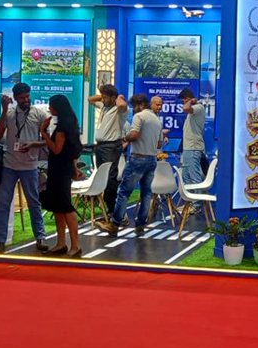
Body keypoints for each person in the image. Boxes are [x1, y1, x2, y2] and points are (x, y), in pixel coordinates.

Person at [0, 83, 48, 253]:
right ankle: (0, 240)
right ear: (15, 98)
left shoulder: (39, 114)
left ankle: (40, 238)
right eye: (22, 98)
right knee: (4, 203)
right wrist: (3, 110)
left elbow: (48, 140)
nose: (26, 100)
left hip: (30, 166)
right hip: (9, 164)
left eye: (28, 96)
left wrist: (33, 144)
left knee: (33, 203)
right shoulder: (9, 113)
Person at [96, 93, 163, 237]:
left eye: (134, 107)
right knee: (146, 193)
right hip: (152, 159)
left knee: (124, 192)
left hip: (137, 158)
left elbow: (134, 135)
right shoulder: (157, 120)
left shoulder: (139, 116)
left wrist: (124, 138)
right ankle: (140, 226)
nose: (133, 110)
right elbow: (159, 144)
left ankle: (114, 224)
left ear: (140, 105)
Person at [39, 94, 83, 258]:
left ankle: (75, 245)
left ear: (57, 107)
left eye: (51, 106)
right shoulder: (70, 124)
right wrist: (74, 169)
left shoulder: (62, 128)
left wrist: (43, 133)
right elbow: (71, 151)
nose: (49, 108)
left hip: (59, 170)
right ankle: (61, 243)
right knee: (58, 206)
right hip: (62, 168)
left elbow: (56, 149)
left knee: (65, 206)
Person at [87, 84, 128, 216]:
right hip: (100, 146)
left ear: (113, 97)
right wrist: (103, 96)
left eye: (106, 97)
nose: (103, 99)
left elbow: (122, 105)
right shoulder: (104, 106)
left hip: (111, 146)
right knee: (102, 175)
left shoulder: (119, 110)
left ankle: (112, 207)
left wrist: (118, 97)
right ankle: (105, 205)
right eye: (103, 97)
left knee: (111, 177)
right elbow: (90, 99)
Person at [179, 87, 206, 185]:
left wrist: (190, 101)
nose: (183, 103)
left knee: (194, 178)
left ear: (187, 98)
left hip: (193, 148)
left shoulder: (199, 107)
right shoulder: (192, 111)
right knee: (186, 178)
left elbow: (185, 108)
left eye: (183, 100)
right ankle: (189, 196)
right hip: (188, 148)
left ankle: (198, 196)